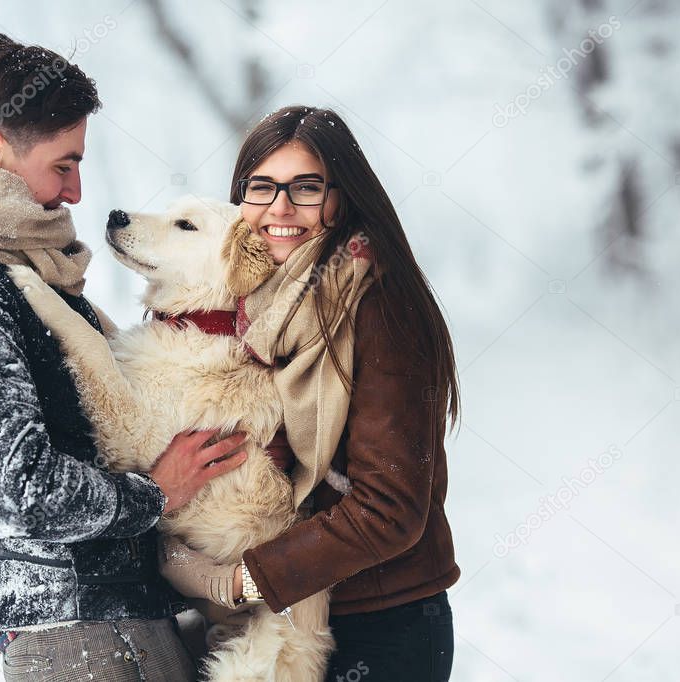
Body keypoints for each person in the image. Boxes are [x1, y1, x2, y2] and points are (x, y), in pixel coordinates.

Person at [0, 33, 247, 681]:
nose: (74, 192)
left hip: (123, 621)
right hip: (79, 638)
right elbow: (19, 489)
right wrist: (156, 493)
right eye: (63, 164)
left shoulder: (16, 272)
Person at [161, 105, 462, 682]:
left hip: (378, 624)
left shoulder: (376, 305)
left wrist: (240, 581)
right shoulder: (262, 309)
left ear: (342, 197)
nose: (280, 208)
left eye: (305, 188)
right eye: (262, 187)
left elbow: (390, 509)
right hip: (287, 618)